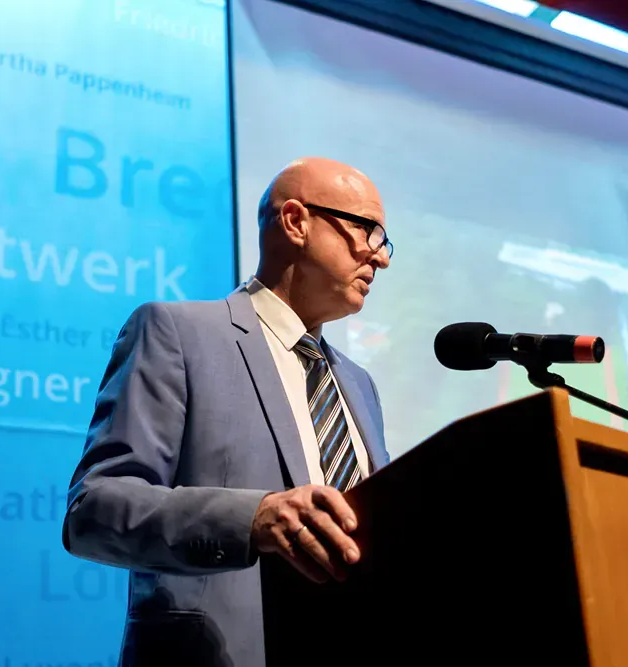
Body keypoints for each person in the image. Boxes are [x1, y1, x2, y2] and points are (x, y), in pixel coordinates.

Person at [61, 157, 393, 667]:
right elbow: (95, 511)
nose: (380, 257)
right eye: (366, 229)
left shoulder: (360, 384)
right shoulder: (176, 332)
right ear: (296, 222)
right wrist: (253, 518)